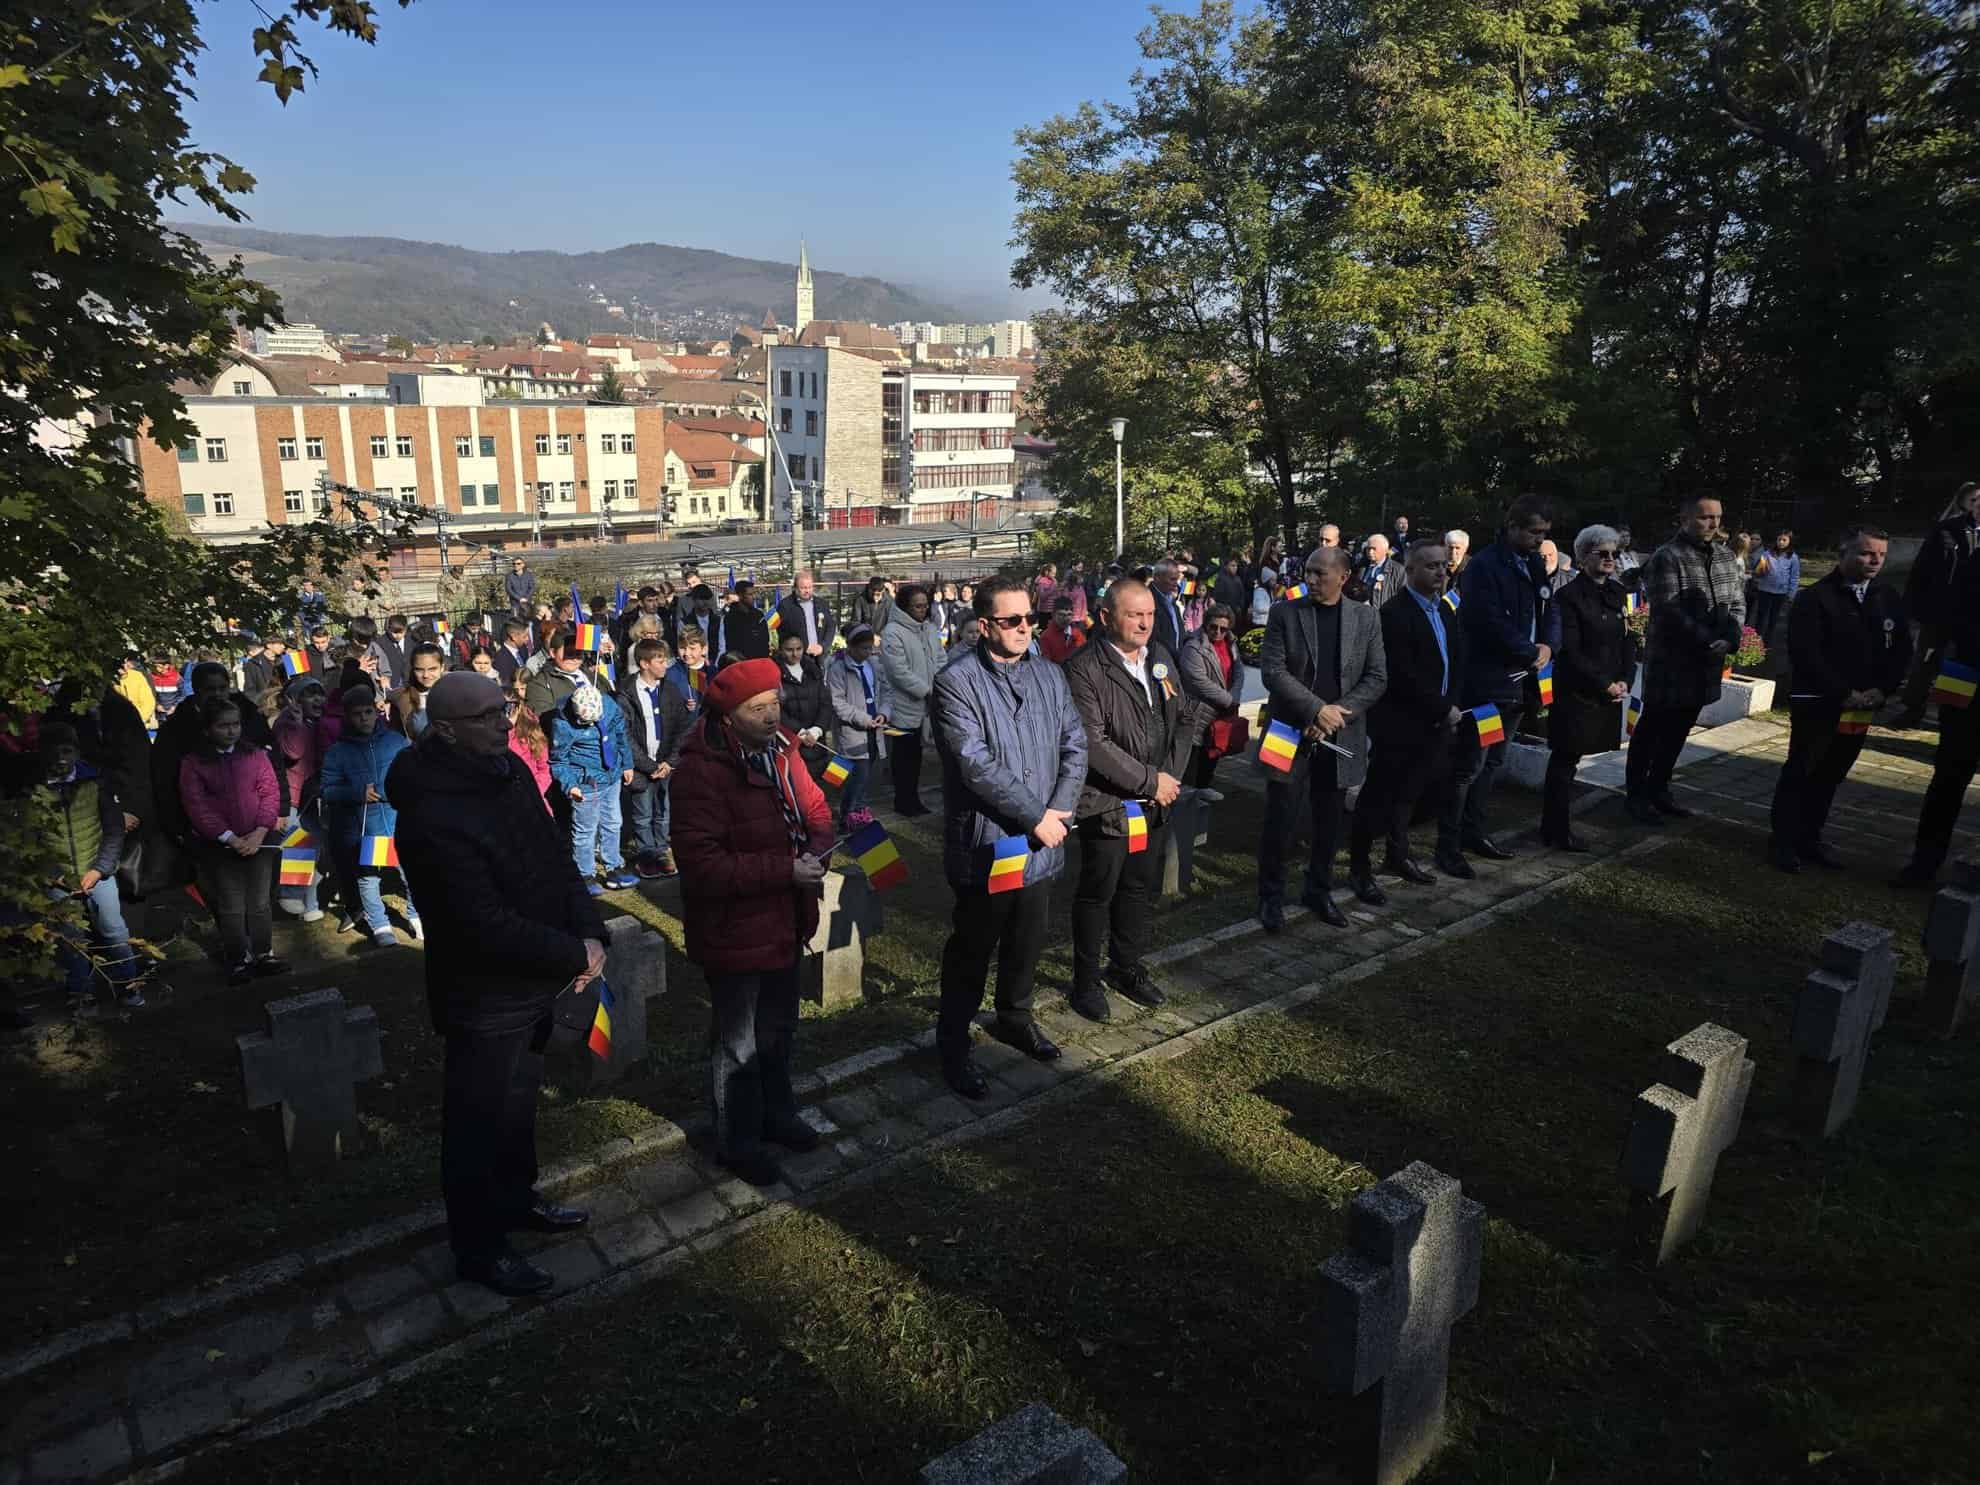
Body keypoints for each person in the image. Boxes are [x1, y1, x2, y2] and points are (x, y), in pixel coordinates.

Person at [387, 671, 605, 1297]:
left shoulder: (506, 772)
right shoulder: (431, 809)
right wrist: (571, 951)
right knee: (477, 1122)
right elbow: (476, 922)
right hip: (482, 992)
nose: (506, 723)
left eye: (502, 709)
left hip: (534, 979)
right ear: (447, 730)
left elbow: (554, 856)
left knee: (517, 1109)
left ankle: (516, 1202)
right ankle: (479, 1246)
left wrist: (591, 930)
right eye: (486, 717)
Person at [666, 656, 833, 1185]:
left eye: (775, 704)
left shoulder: (782, 749)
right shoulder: (700, 771)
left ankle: (778, 1117)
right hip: (734, 927)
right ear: (727, 716)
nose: (770, 715)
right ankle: (737, 1142)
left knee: (779, 1028)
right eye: (757, 708)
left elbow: (817, 810)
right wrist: (785, 869)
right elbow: (703, 864)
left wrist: (819, 849)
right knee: (738, 1043)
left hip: (784, 917)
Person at [931, 578, 1088, 1097]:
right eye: (1013, 621)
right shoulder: (956, 682)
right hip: (990, 840)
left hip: (1045, 836)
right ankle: (952, 1044)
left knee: (1027, 938)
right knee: (974, 947)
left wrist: (1062, 807)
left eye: (1032, 620)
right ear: (985, 625)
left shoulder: (1048, 673)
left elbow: (1074, 740)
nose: (1026, 629)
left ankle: (1015, 1015)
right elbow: (976, 765)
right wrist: (1035, 816)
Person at [1063, 579, 1190, 1020]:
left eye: (1150, 614)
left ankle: (1126, 966)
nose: (1144, 623)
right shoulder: (1084, 667)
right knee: (1099, 891)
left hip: (1155, 800)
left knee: (1138, 887)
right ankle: (1085, 980)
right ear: (1106, 617)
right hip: (1109, 803)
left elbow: (1184, 719)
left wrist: (1169, 777)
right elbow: (1092, 743)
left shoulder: (1160, 658)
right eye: (1134, 614)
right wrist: (1148, 781)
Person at [1257, 546, 1387, 929]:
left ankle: (1319, 889)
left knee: (1330, 818)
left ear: (1343, 577)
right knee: (1279, 817)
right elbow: (1273, 672)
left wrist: (1332, 717)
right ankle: (1271, 897)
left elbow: (1377, 677)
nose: (1310, 580)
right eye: (1308, 572)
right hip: (1288, 730)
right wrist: (1316, 709)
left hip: (1341, 733)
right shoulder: (1285, 613)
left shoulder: (1366, 619)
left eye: (1319, 574)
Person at [1768, 528, 1908, 872]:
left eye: (1881, 555)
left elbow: (1900, 649)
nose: (1875, 561)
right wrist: (1844, 693)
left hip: (1862, 707)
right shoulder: (1815, 598)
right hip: (1819, 701)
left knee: (1832, 774)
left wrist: (1883, 688)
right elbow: (1807, 653)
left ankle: (1810, 837)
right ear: (1842, 554)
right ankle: (1783, 841)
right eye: (1866, 553)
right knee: (1802, 770)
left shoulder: (1886, 596)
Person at [1440, 497, 1558, 874]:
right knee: (1470, 764)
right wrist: (1528, 650)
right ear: (1513, 527)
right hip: (1490, 683)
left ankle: (1475, 830)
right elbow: (1487, 620)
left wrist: (1548, 646)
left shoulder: (1535, 564)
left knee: (1494, 760)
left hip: (1522, 684)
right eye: (1533, 532)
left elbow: (1548, 608)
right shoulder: (1485, 567)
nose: (1539, 540)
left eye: (1544, 534)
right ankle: (1449, 843)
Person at [1349, 541, 1462, 901]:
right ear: (1410, 571)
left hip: (1435, 723)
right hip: (1401, 723)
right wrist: (1441, 707)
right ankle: (1360, 867)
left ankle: (1397, 854)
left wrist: (1451, 703)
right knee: (1378, 797)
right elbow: (1403, 673)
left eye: (1444, 565)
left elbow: (1454, 661)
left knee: (1411, 794)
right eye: (1431, 566)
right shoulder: (1395, 614)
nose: (1441, 572)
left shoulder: (1444, 611)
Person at [1625, 495, 1744, 825]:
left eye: (1718, 517)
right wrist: (1709, 640)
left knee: (1680, 729)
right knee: (1652, 729)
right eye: (1705, 517)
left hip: (1706, 663)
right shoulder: (1668, 556)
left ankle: (1660, 789)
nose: (1713, 524)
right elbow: (1667, 610)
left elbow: (1737, 602)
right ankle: (1636, 795)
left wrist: (1731, 638)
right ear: (1685, 518)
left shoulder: (1724, 555)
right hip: (1671, 661)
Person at [178, 694, 288, 985]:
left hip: (258, 839)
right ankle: (238, 958)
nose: (231, 731)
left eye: (236, 725)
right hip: (220, 845)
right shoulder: (194, 763)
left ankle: (264, 952)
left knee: (261, 901)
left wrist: (261, 830)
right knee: (231, 904)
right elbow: (196, 805)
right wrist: (229, 838)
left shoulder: (254, 755)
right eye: (223, 726)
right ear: (208, 729)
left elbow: (270, 793)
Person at [1894, 519, 1980, 886]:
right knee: (1948, 775)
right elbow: (1952, 613)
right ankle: (1924, 862)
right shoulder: (1977, 563)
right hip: (1965, 674)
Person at [1542, 528, 1636, 852]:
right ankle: (1555, 828)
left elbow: (1628, 640)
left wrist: (1626, 678)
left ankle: (1557, 826)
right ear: (1583, 558)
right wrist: (1603, 683)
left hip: (1608, 689)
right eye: (1602, 553)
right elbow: (1570, 650)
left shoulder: (1619, 592)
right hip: (1578, 691)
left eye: (1614, 554)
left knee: (1575, 759)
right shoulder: (1567, 597)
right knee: (1565, 760)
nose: (1611, 559)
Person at [38, 724, 141, 1009]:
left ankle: (127, 985)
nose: (61, 758)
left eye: (67, 751)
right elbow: (32, 838)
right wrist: (54, 875)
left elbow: (113, 830)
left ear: (77, 752)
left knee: (113, 930)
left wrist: (99, 870)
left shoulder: (95, 782)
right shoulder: (34, 789)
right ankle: (82, 994)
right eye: (55, 751)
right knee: (71, 938)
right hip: (58, 877)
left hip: (98, 870)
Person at [319, 684, 420, 946]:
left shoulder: (396, 742)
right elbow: (327, 790)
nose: (363, 718)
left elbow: (411, 774)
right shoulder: (337, 752)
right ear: (346, 717)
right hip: (361, 827)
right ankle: (380, 924)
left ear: (377, 712)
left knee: (411, 871)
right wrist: (355, 793)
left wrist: (391, 791)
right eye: (356, 714)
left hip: (396, 821)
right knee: (367, 877)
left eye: (368, 712)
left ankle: (415, 916)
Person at [547, 659, 637, 895]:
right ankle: (584, 873)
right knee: (586, 829)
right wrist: (570, 785)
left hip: (612, 776)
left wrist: (626, 764)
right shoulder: (563, 724)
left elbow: (620, 738)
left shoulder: (609, 706)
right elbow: (559, 760)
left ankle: (613, 865)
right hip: (586, 783)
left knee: (613, 822)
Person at [1894, 481, 1980, 727]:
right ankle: (1913, 708)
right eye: (1974, 500)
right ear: (1965, 502)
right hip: (1940, 610)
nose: (1977, 505)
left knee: (1961, 665)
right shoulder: (1947, 530)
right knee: (1926, 661)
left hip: (1972, 617)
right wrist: (1913, 604)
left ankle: (1950, 717)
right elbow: (1922, 569)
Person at [618, 638, 688, 879]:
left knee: (664, 811)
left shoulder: (670, 690)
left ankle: (661, 851)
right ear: (644, 663)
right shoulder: (626, 693)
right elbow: (625, 735)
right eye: (660, 660)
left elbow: (682, 728)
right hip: (642, 767)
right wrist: (648, 766)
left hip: (666, 765)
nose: (665, 664)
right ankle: (646, 855)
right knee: (643, 813)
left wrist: (669, 762)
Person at [878, 585, 943, 816]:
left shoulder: (929, 629)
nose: (923, 610)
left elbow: (940, 659)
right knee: (904, 756)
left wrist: (939, 687)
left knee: (916, 757)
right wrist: (926, 690)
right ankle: (903, 800)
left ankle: (913, 798)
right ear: (905, 606)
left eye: (925, 605)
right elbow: (898, 671)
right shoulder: (892, 632)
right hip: (904, 705)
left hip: (928, 702)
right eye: (918, 606)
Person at [272, 676, 330, 923]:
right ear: (295, 700)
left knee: (314, 848)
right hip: (291, 798)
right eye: (310, 694)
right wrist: (295, 722)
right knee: (299, 844)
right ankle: (289, 895)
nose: (318, 699)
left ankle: (310, 904)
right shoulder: (287, 722)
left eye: (320, 694)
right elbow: (293, 751)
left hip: (310, 795)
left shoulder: (316, 722)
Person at [826, 623, 891, 830]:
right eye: (864, 648)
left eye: (870, 647)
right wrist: (863, 719)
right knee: (856, 775)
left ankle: (859, 810)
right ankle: (850, 814)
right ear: (851, 647)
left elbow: (886, 692)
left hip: (875, 729)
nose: (869, 652)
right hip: (853, 732)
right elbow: (838, 703)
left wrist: (884, 713)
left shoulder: (874, 665)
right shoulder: (838, 669)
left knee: (867, 773)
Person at [1179, 603, 1245, 787]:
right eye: (1213, 627)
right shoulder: (1193, 647)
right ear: (1205, 624)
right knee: (1194, 761)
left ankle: (1204, 791)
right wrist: (1229, 700)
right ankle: (1189, 800)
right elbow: (1198, 681)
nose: (1218, 632)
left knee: (1214, 753)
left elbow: (1239, 671)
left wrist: (1235, 694)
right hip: (1199, 712)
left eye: (1223, 629)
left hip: (1222, 711)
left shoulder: (1230, 643)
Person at [776, 630, 831, 753]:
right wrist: (799, 731)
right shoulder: (774, 674)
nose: (795, 654)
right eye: (789, 650)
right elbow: (777, 710)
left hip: (817, 741)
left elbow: (825, 703)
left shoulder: (813, 670)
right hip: (791, 743)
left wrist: (817, 729)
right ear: (780, 649)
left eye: (799, 649)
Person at [505, 672, 553, 809]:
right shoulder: (489, 736)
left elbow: (544, 766)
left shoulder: (531, 731)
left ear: (519, 707)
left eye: (509, 709)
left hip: (534, 797)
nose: (505, 716)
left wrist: (534, 790)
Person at [1749, 530, 1801, 647]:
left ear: (1789, 542)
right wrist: (1760, 571)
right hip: (1764, 590)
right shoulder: (1767, 554)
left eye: (1784, 540)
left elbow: (1794, 576)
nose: (1781, 542)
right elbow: (1759, 571)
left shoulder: (1793, 557)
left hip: (1780, 593)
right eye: (1779, 540)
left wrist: (1791, 594)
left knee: (1773, 618)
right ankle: (1754, 642)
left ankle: (1767, 643)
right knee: (1761, 617)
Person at [773, 571, 838, 658]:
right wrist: (804, 647)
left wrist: (823, 647)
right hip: (797, 657)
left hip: (820, 656)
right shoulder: (785, 606)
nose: (807, 590)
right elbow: (783, 632)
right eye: (803, 588)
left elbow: (830, 626)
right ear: (795, 588)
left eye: (810, 587)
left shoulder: (822, 604)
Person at [391, 643, 447, 741]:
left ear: (442, 667)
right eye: (419, 670)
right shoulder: (403, 698)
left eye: (432, 669)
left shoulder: (454, 692)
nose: (426, 675)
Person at [721, 580, 772, 661]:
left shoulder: (758, 614)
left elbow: (765, 639)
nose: (754, 597)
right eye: (750, 594)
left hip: (760, 661)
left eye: (754, 593)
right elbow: (731, 643)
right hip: (741, 662)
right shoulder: (731, 617)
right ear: (740, 596)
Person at [1148, 560, 1186, 657]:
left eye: (1177, 579)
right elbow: (1153, 637)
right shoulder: (1147, 600)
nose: (1177, 584)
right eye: (1172, 579)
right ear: (1157, 578)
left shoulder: (1172, 602)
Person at [1354, 534, 1405, 607]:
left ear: (1385, 550)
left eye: (1374, 549)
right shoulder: (1361, 567)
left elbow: (1403, 597)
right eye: (1368, 549)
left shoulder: (1398, 570)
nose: (1370, 552)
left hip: (1386, 615)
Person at [1038, 595, 1088, 663]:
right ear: (1053, 615)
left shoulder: (1077, 634)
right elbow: (1047, 664)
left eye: (1069, 615)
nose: (1065, 619)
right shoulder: (1046, 637)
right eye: (1061, 614)